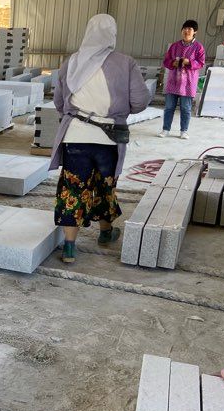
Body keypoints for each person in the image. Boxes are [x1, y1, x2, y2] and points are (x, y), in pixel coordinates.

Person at [49, 14, 152, 264]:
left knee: (73, 188)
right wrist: (118, 111)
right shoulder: (125, 63)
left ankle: (70, 247)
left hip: (75, 136)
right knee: (105, 186)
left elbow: (59, 101)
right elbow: (140, 101)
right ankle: (105, 233)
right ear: (112, 35)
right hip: (109, 138)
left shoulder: (71, 62)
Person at [159, 19, 205, 139]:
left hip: (188, 82)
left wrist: (189, 62)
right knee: (169, 107)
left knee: (185, 108)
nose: (186, 31)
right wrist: (172, 63)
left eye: (190, 29)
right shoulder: (174, 46)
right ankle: (165, 129)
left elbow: (201, 63)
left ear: (195, 32)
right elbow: (166, 61)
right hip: (173, 81)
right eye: (184, 29)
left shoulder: (198, 47)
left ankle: (184, 131)